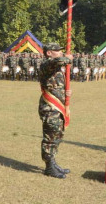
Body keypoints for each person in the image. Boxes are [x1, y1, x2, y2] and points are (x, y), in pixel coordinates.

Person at [38, 43, 73, 179]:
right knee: (50, 138)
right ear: (49, 53)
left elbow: (56, 85)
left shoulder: (56, 68)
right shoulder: (47, 65)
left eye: (61, 51)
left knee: (57, 135)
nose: (60, 53)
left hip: (58, 106)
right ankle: (49, 167)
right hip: (50, 107)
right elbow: (60, 61)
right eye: (57, 51)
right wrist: (67, 57)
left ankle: (53, 163)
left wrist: (67, 92)